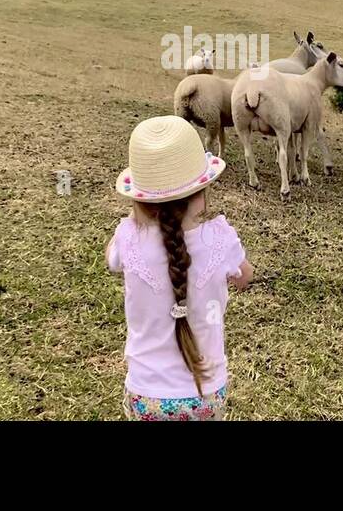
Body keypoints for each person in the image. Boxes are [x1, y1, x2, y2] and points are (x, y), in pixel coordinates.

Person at [108, 115, 254, 420]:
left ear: (138, 200)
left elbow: (112, 261)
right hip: (206, 395)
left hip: (146, 395)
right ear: (201, 195)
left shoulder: (127, 238)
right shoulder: (220, 237)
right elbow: (245, 275)